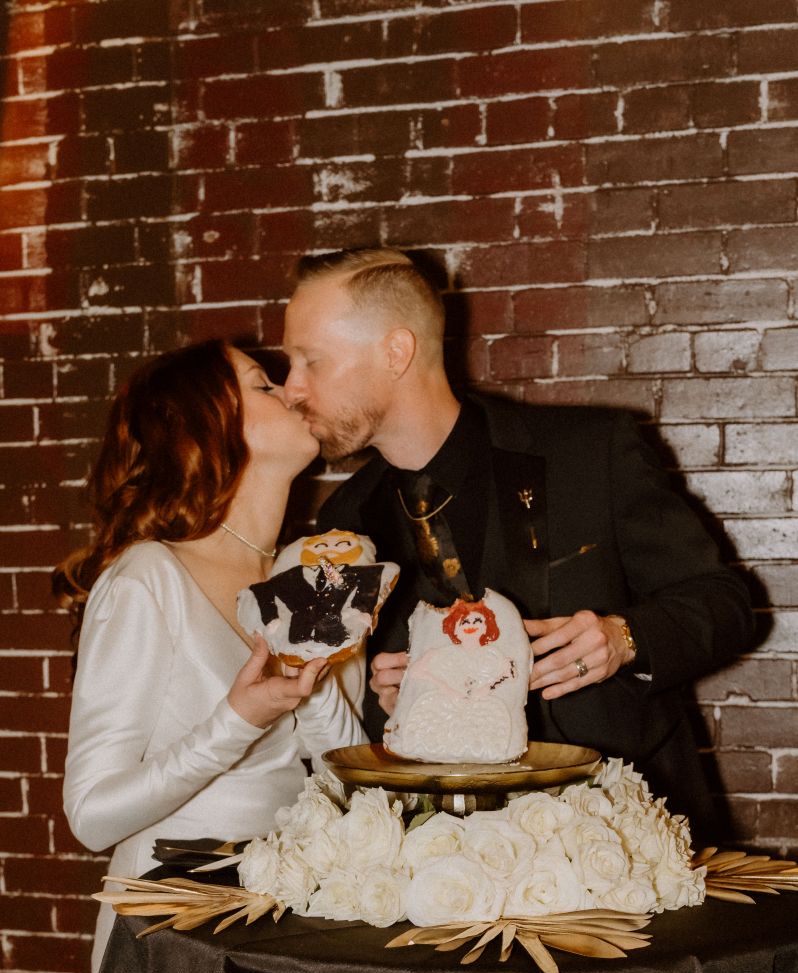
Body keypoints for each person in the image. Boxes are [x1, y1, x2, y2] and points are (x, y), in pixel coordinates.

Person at [280, 248, 755, 843]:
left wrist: (623, 638)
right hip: (438, 855)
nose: (292, 387)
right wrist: (390, 696)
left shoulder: (589, 452)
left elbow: (726, 602)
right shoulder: (344, 517)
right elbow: (371, 719)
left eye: (310, 361)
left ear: (396, 352)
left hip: (624, 836)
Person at [54, 339, 364, 973]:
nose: (292, 392)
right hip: (171, 928)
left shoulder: (307, 577)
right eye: (263, 384)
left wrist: (324, 681)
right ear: (207, 427)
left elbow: (342, 776)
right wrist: (237, 720)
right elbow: (91, 815)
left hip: (286, 918)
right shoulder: (150, 576)